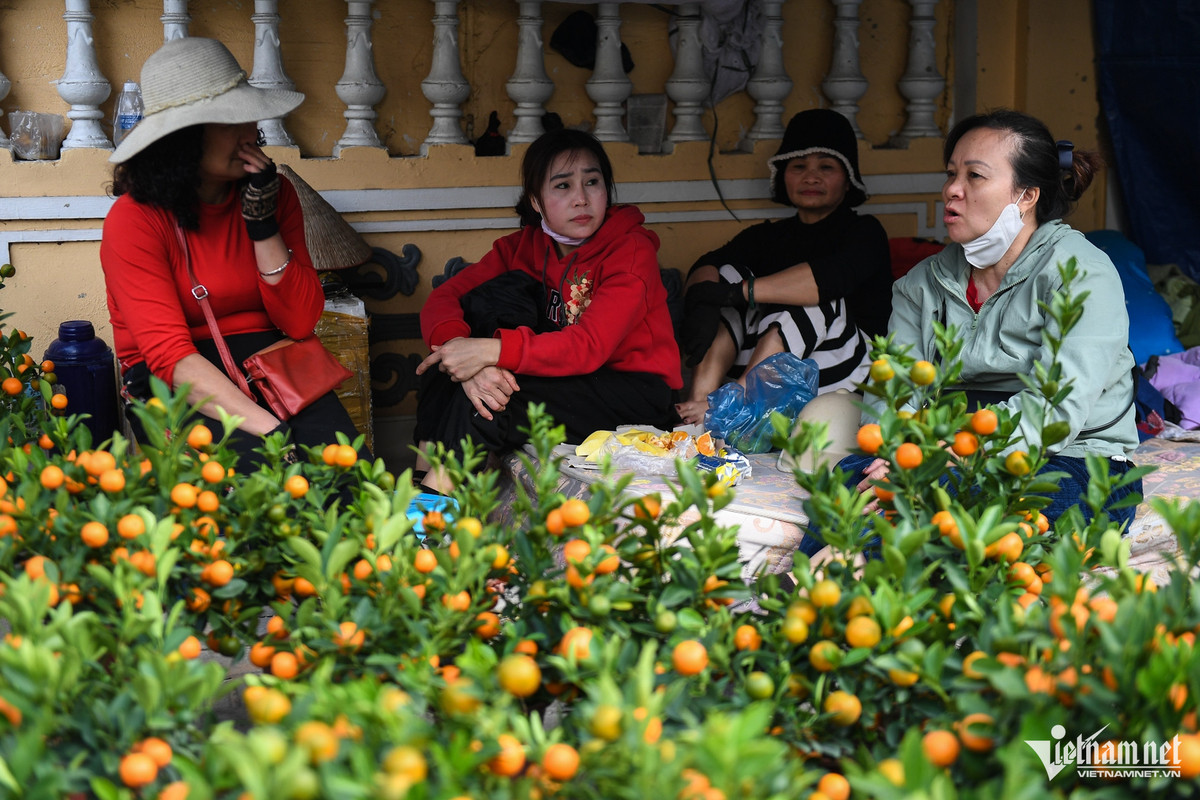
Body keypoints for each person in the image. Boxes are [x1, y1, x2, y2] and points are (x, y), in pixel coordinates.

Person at [840, 109, 1141, 531]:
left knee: (957, 506)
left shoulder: (1081, 272)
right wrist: (900, 452)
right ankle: (820, 581)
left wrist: (944, 454)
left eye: (974, 176)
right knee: (849, 483)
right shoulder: (920, 284)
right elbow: (894, 393)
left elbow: (1058, 409)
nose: (951, 190)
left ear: (1027, 196)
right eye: (950, 174)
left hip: (1076, 457)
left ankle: (830, 579)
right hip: (942, 450)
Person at [100, 37, 362, 466]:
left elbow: (299, 321)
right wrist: (272, 431)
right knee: (254, 494)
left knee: (348, 481)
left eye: (248, 117)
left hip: (272, 361)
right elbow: (170, 356)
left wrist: (262, 226)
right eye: (229, 121)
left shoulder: (277, 196)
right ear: (182, 140)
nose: (251, 133)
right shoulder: (135, 220)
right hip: (177, 372)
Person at [414, 129, 682, 492]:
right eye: (562, 186)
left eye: (592, 182)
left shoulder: (630, 250)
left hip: (633, 393)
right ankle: (423, 489)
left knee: (496, 397)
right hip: (567, 380)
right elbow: (443, 300)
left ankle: (425, 526)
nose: (582, 199)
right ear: (536, 201)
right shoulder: (522, 248)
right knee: (444, 368)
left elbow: (589, 346)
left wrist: (489, 351)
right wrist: (458, 352)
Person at [677, 108, 893, 433]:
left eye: (826, 166)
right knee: (726, 279)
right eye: (799, 166)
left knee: (813, 299)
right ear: (783, 175)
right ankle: (701, 410)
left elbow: (827, 280)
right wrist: (706, 298)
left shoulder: (864, 231)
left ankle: (734, 399)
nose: (811, 177)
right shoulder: (766, 236)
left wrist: (742, 292)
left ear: (847, 179)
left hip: (845, 374)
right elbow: (706, 268)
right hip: (771, 372)